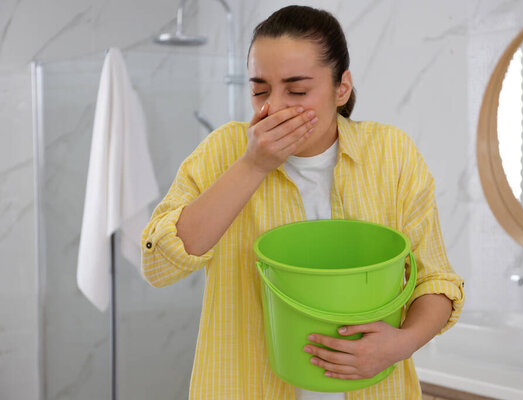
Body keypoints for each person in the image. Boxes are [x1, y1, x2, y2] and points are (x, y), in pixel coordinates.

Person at [141, 5, 464, 400]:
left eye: (297, 90)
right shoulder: (224, 150)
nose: (273, 106)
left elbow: (435, 279)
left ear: (341, 88)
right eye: (260, 89)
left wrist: (401, 343)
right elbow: (158, 264)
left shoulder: (391, 153)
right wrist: (253, 165)